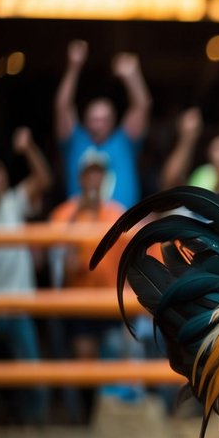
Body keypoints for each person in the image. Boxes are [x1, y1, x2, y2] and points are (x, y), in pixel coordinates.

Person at [49, 150, 133, 423]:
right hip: (79, 303)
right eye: (89, 173)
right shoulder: (63, 214)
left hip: (111, 303)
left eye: (98, 172)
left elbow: (129, 261)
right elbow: (65, 267)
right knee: (84, 364)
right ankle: (83, 421)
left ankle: (108, 422)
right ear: (80, 177)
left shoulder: (117, 213)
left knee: (112, 364)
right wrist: (78, 214)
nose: (94, 178)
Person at [0, 128, 51, 425]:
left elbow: (44, 180)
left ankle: (36, 427)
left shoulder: (15, 201)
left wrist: (28, 149)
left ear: (5, 178)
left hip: (19, 304)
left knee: (33, 372)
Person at [54, 40, 151, 208]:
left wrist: (132, 76)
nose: (99, 125)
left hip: (123, 228)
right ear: (84, 121)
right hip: (82, 228)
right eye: (94, 119)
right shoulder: (75, 142)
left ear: (113, 122)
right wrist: (73, 67)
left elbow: (142, 106)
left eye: (104, 119)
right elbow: (63, 107)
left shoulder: (123, 142)